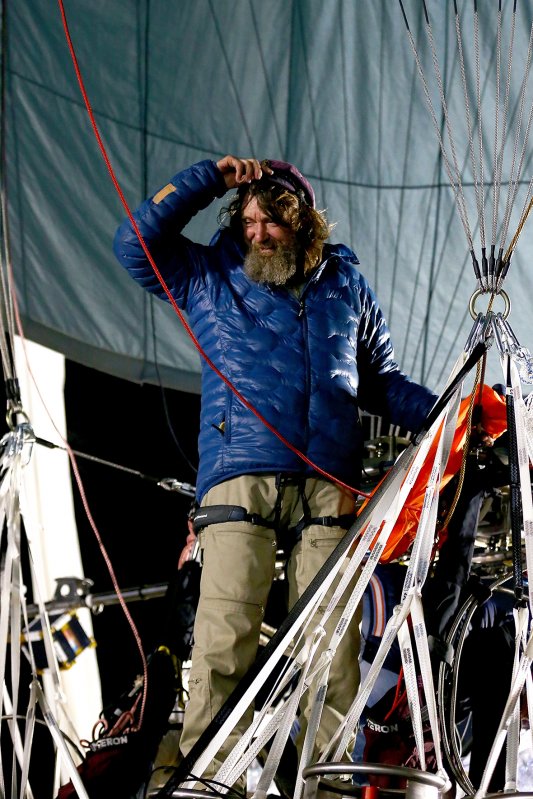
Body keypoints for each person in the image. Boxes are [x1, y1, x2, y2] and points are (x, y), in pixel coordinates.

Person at [113, 155, 437, 789]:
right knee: (224, 642)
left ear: (305, 224)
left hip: (327, 487)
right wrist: (210, 178)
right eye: (250, 221)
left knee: (334, 655)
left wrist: (448, 412)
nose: (257, 233)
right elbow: (134, 244)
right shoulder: (208, 275)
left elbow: (381, 382)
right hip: (242, 480)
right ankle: (210, 782)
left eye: (272, 223)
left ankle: (334, 786)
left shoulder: (346, 287)